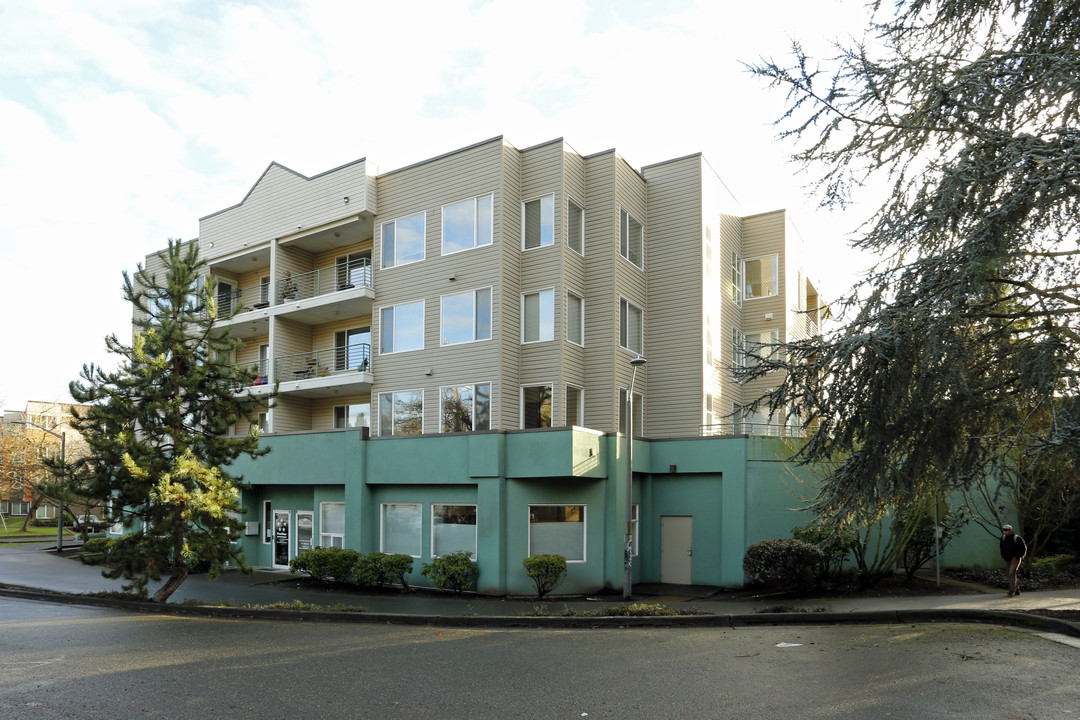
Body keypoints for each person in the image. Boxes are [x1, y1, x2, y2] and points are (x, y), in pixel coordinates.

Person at [1000, 524, 1027, 596]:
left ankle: (1012, 590)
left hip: (1015, 557)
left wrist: (1018, 556)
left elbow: (1023, 548)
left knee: (1011, 572)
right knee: (1010, 573)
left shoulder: (1017, 538)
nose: (1005, 531)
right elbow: (1001, 547)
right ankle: (1017, 589)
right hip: (1006, 557)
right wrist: (1003, 555)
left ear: (1010, 530)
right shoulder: (1003, 538)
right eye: (1004, 530)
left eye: (1006, 530)